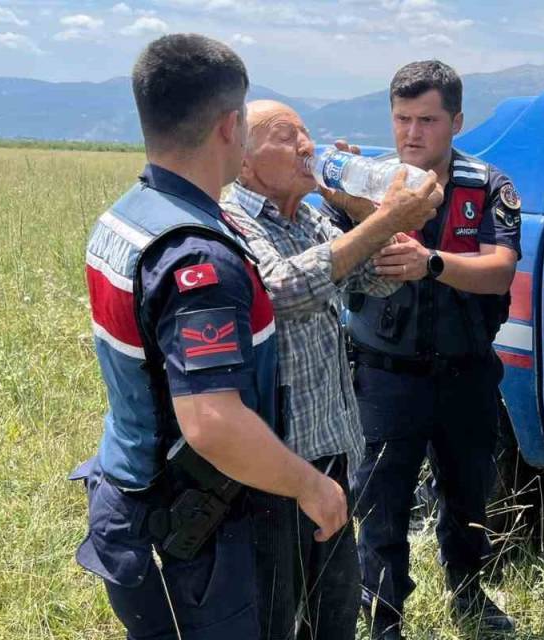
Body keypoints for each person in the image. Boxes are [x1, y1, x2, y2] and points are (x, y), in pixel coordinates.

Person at [69, 34, 351, 639]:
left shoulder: (131, 214)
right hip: (193, 535)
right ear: (230, 127)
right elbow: (213, 422)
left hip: (136, 496)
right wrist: (312, 484)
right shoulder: (200, 256)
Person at [218, 99, 441, 640]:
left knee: (335, 611)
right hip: (271, 465)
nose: (306, 147)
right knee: (274, 613)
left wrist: (362, 209)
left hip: (331, 452)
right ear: (244, 161)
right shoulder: (230, 221)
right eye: (285, 136)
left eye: (306, 134)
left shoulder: (313, 218)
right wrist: (386, 219)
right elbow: (280, 290)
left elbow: (384, 277)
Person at [325, 60, 522, 640]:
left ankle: (468, 595)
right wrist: (335, 190)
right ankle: (383, 621)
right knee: (380, 506)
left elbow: (499, 272)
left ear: (456, 121)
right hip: (386, 374)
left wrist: (431, 264)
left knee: (467, 496)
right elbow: (326, 257)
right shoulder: (365, 181)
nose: (412, 133)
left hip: (465, 373)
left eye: (428, 120)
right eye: (402, 119)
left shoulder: (487, 186)